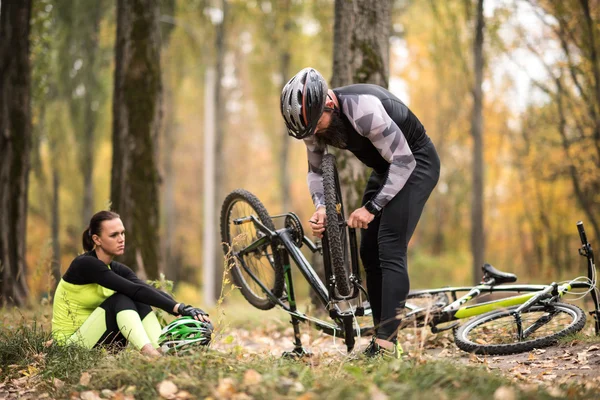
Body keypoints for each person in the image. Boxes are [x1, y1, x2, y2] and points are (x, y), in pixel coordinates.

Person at [280, 68, 440, 359]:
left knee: (390, 245)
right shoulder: (311, 123)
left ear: (328, 104)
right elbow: (315, 172)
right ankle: (383, 337)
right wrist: (321, 208)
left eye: (316, 125)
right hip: (386, 168)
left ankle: (387, 346)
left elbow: (404, 161)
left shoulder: (363, 109)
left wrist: (371, 208)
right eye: (307, 132)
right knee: (368, 251)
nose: (314, 134)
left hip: (416, 162)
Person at [51, 210, 211, 356]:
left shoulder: (117, 268)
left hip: (96, 338)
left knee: (138, 297)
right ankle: (151, 355)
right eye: (114, 235)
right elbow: (132, 289)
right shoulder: (85, 264)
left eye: (122, 233)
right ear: (97, 239)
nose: (121, 239)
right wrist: (177, 308)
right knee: (121, 298)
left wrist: (182, 308)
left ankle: (161, 349)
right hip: (70, 346)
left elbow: (143, 289)